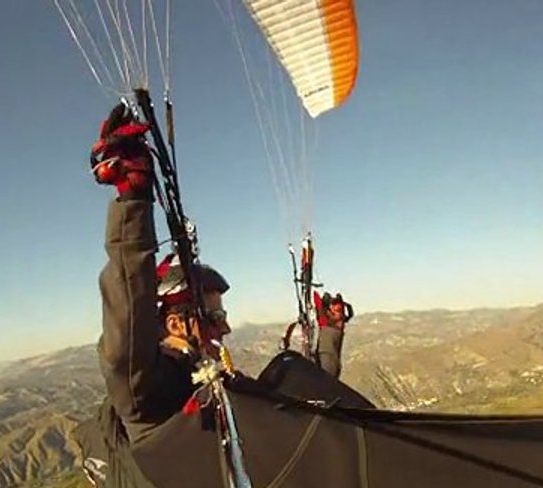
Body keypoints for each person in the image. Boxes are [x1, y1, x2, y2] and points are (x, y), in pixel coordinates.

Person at [90, 104, 349, 444]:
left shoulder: (211, 376)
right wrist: (133, 201)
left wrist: (329, 332)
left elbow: (307, 404)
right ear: (173, 324)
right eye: (214, 316)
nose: (225, 326)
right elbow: (126, 333)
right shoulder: (148, 395)